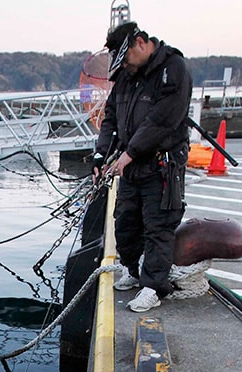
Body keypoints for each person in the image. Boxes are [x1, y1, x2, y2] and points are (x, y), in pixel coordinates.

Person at [91, 21, 192, 312]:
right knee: (124, 223)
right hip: (131, 166)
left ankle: (153, 286)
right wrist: (101, 155)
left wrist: (130, 153)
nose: (125, 65)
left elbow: (162, 120)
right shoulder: (126, 75)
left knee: (158, 226)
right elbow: (111, 118)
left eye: (126, 57)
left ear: (140, 42)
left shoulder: (173, 69)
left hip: (161, 165)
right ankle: (133, 271)